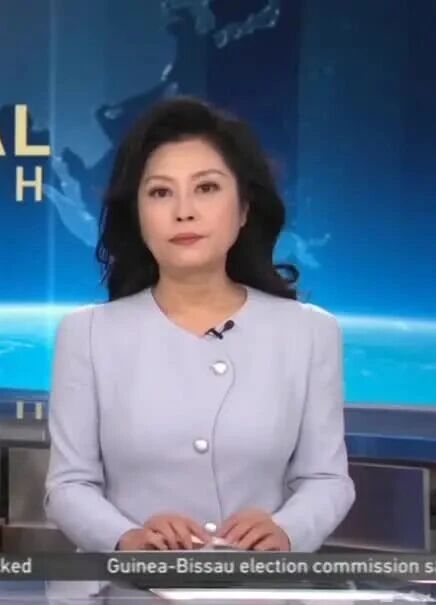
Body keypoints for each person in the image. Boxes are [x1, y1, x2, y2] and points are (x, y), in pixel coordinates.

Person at [44, 97, 354, 553]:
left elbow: (327, 478)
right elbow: (68, 485)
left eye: (206, 188)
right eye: (160, 193)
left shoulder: (309, 333)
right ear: (138, 215)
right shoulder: (87, 334)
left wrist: (286, 530)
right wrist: (127, 538)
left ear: (244, 208)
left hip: (260, 583)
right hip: (131, 584)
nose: (184, 211)